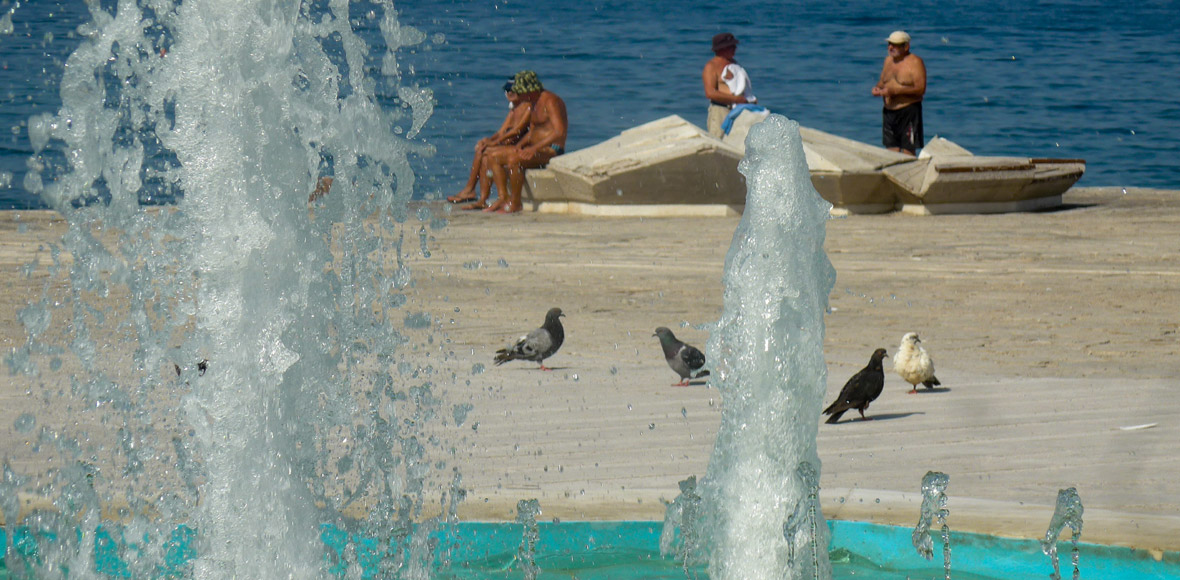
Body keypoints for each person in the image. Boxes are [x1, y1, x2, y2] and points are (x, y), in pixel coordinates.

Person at [483, 70, 567, 214]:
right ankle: (503, 197)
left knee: (514, 160)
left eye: (520, 92)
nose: (518, 96)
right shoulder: (532, 103)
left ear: (530, 90)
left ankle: (515, 203)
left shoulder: (550, 101)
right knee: (492, 156)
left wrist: (534, 149)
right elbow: (532, 131)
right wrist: (520, 145)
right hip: (534, 147)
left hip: (551, 150)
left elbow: (559, 131)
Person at [447, 79, 533, 206]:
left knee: (485, 152)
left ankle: (470, 190)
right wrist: (489, 140)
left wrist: (494, 143)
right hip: (509, 145)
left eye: (513, 90)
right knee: (482, 150)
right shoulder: (514, 110)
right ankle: (482, 198)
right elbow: (501, 131)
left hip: (520, 147)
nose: (509, 93)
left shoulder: (528, 107)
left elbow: (517, 130)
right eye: (507, 90)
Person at [872, 30, 926, 155]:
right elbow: (883, 81)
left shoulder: (915, 62)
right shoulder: (888, 61)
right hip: (889, 112)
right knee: (890, 151)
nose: (890, 48)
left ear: (906, 47)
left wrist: (895, 91)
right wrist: (877, 88)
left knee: (908, 150)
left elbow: (920, 89)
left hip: (908, 111)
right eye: (889, 44)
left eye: (895, 45)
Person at [702, 32, 756, 139]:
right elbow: (710, 93)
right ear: (721, 49)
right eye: (731, 46)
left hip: (738, 110)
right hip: (720, 111)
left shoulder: (734, 64)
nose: (735, 48)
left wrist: (749, 100)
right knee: (718, 141)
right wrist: (736, 99)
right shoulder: (711, 66)